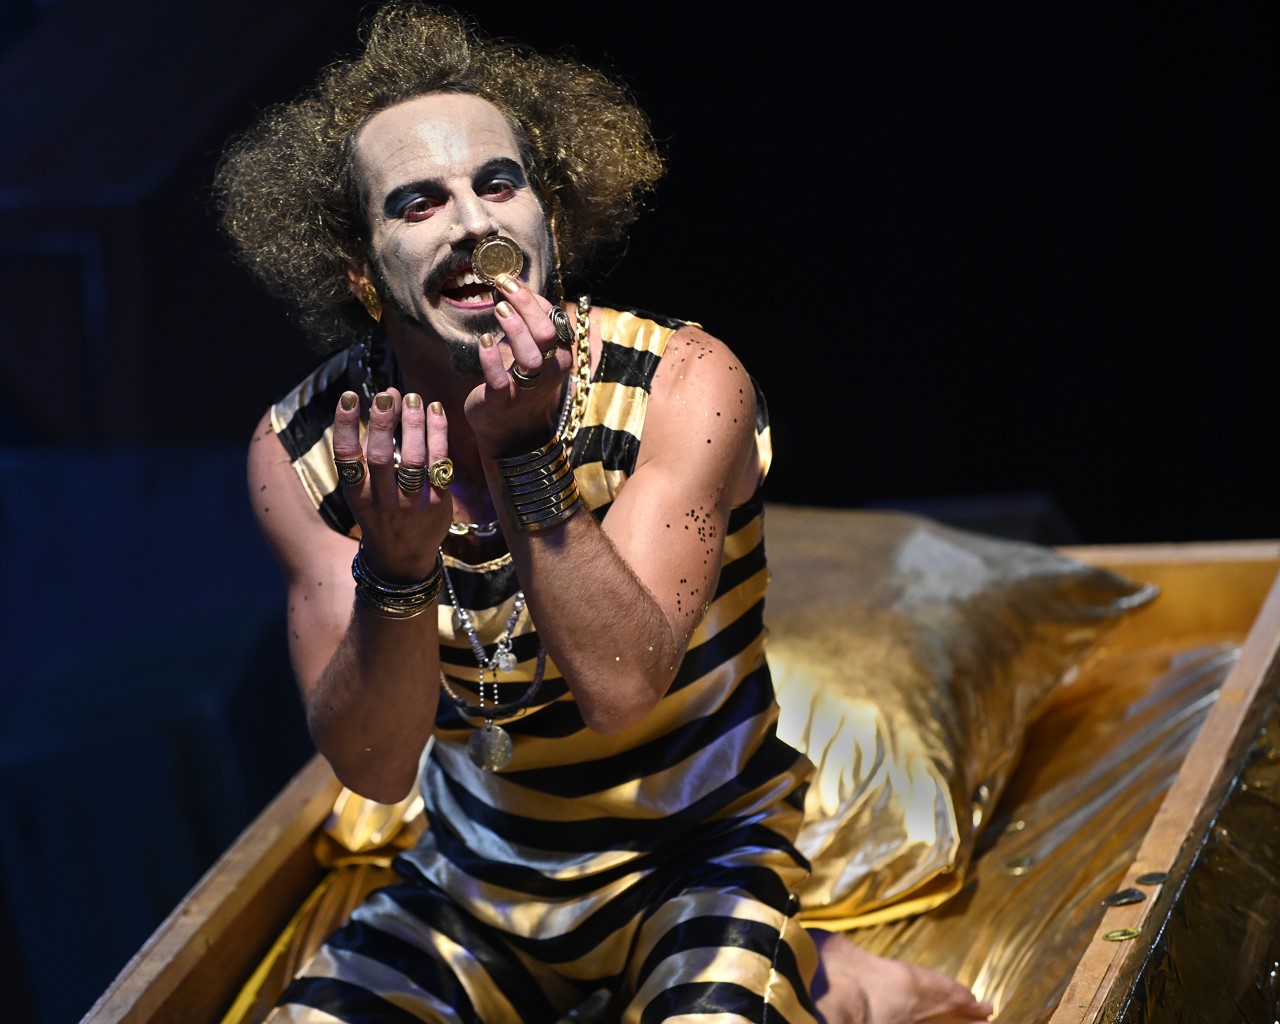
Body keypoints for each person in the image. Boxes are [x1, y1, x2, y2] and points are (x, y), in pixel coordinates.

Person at [215, 4, 994, 1021]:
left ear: (553, 217)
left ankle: (808, 969)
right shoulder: (303, 449)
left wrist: (524, 455)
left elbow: (622, 686)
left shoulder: (684, 382)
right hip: (475, 886)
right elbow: (374, 764)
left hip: (697, 860)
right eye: (418, 202)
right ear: (361, 270)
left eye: (500, 184)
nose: (473, 225)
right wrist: (396, 571)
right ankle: (812, 975)